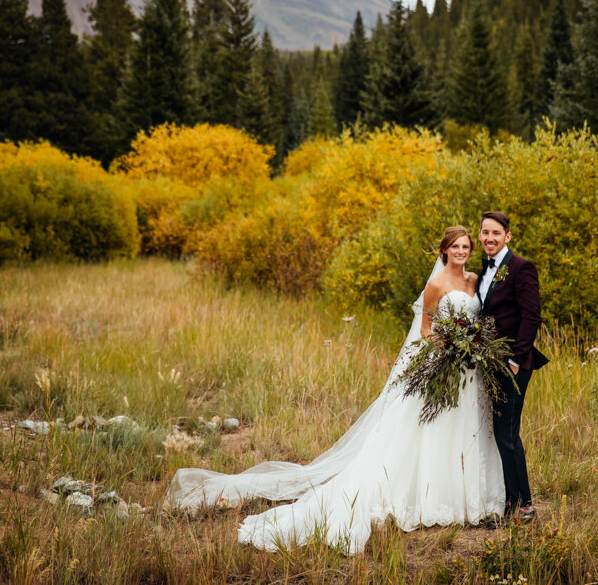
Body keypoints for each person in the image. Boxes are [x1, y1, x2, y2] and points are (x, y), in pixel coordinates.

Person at [165, 225, 504, 555]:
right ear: (445, 250)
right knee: (432, 432)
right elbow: (426, 329)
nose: (461, 252)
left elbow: (481, 319)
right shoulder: (436, 285)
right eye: (456, 246)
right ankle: (427, 498)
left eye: (466, 247)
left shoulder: (474, 280)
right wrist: (447, 347)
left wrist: (471, 346)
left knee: (461, 432)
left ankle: (464, 499)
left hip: (469, 372)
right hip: (444, 364)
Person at [476, 210, 547, 524]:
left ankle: (524, 506)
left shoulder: (521, 267)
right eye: (485, 232)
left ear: (507, 236)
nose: (490, 238)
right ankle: (510, 502)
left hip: (514, 363)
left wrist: (516, 361)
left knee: (507, 433)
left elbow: (531, 317)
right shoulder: (484, 269)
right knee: (501, 431)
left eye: (496, 233)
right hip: (490, 362)